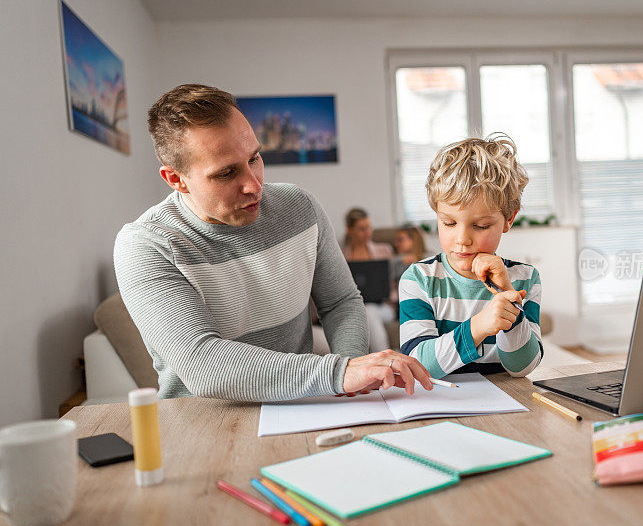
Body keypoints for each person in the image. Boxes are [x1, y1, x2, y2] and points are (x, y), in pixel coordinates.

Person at [114, 84, 432, 402]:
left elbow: (341, 302)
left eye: (254, 158)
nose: (254, 186)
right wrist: (339, 373)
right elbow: (204, 365)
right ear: (175, 179)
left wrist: (354, 377)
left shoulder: (300, 207)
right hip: (207, 423)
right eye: (226, 173)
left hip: (301, 407)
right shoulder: (145, 245)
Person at [398, 135, 543, 378]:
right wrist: (478, 327)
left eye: (482, 226)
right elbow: (418, 365)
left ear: (509, 219)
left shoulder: (525, 279)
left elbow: (522, 368)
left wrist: (509, 298)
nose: (462, 239)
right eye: (449, 222)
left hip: (508, 406)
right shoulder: (418, 279)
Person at [341, 207, 395, 351]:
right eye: (361, 229)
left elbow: (393, 283)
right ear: (349, 230)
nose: (368, 233)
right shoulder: (340, 256)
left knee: (369, 311)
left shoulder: (384, 250)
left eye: (369, 227)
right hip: (354, 309)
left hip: (383, 307)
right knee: (364, 312)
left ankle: (384, 356)